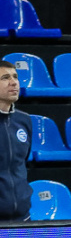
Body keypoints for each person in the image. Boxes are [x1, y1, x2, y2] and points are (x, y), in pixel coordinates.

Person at [0, 61, 36, 221]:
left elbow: (22, 161)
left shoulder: (24, 120)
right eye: (5, 78)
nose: (13, 82)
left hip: (23, 218)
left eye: (15, 77)